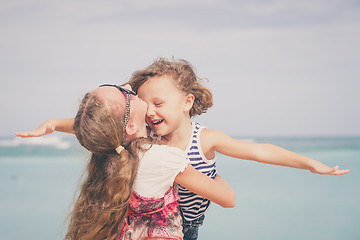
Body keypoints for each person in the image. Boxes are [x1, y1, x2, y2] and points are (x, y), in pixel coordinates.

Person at [16, 58, 350, 240]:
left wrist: (309, 164)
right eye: (146, 104)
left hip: (186, 228)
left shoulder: (204, 140)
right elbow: (107, 128)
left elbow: (259, 150)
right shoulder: (148, 139)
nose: (151, 111)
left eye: (159, 102)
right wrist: (56, 124)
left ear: (187, 102)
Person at [59, 84, 236, 240]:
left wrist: (54, 124)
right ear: (130, 127)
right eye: (122, 91)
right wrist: (213, 174)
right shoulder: (163, 158)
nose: (129, 86)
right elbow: (228, 199)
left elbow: (96, 127)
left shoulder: (109, 154)